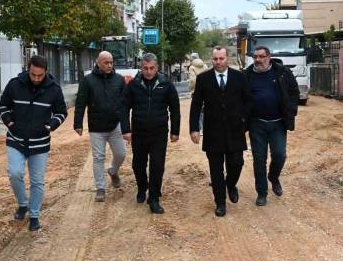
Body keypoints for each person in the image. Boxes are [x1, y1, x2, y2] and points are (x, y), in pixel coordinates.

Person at [0, 55, 68, 232]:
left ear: (45, 72)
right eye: (33, 74)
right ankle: (23, 204)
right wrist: (9, 122)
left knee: (37, 181)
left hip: (40, 142)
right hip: (16, 139)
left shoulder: (54, 89)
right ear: (28, 69)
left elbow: (61, 112)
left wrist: (51, 126)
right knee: (15, 173)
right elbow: (3, 105)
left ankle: (34, 215)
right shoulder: (14, 84)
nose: (36, 78)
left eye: (40, 75)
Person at [190, 46, 252, 217]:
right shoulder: (203, 79)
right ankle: (220, 202)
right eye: (215, 59)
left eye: (221, 58)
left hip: (235, 130)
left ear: (227, 59)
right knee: (216, 169)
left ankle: (231, 185)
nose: (218, 62)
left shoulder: (240, 77)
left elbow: (248, 101)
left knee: (237, 163)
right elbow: (196, 105)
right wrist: (194, 128)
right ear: (212, 60)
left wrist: (243, 121)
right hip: (213, 132)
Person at [122, 53, 180, 214]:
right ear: (141, 68)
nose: (148, 72)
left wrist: (175, 130)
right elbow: (124, 107)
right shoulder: (133, 85)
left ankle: (153, 198)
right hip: (139, 132)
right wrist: (125, 129)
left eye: (151, 68)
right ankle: (142, 187)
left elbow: (175, 108)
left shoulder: (166, 84)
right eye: (145, 68)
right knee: (138, 164)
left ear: (157, 68)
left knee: (157, 165)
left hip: (159, 132)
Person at [244, 46, 299, 205]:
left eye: (261, 56)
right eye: (255, 56)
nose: (258, 60)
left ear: (269, 57)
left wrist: (292, 110)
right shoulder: (246, 75)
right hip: (256, 124)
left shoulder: (282, 72)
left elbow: (294, 92)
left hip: (278, 124)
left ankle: (273, 177)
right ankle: (262, 193)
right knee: (259, 160)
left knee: (280, 155)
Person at [74, 51, 129, 202]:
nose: (110, 65)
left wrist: (127, 126)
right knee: (98, 157)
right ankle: (100, 188)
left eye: (111, 62)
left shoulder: (119, 80)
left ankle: (113, 171)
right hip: (96, 127)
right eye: (106, 62)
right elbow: (80, 103)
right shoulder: (88, 81)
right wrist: (78, 123)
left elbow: (125, 104)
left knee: (121, 153)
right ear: (98, 63)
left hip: (115, 125)